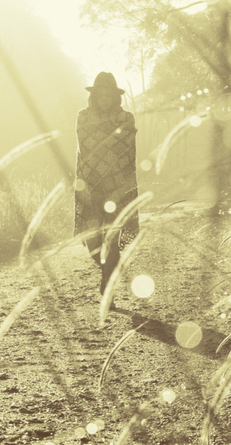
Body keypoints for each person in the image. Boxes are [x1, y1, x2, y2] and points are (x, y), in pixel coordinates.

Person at [74, 72, 139, 306]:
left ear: (115, 97)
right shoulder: (83, 117)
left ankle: (108, 289)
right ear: (93, 96)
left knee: (111, 240)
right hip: (90, 187)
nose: (104, 99)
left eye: (108, 95)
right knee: (92, 241)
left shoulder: (126, 119)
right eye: (99, 95)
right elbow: (85, 151)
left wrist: (119, 188)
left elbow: (127, 154)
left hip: (117, 189)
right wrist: (83, 186)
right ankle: (106, 273)